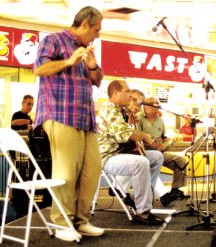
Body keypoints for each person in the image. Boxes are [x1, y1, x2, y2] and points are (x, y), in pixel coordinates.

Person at [33, 6, 104, 241]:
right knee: (66, 173)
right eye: (96, 29)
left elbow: (97, 81)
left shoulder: (86, 50)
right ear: (84, 25)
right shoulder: (53, 40)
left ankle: (81, 221)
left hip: (86, 118)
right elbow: (40, 69)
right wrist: (69, 61)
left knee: (92, 170)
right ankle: (62, 222)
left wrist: (92, 65)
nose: (98, 34)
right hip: (60, 113)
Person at [97, 80, 165, 226]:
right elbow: (124, 135)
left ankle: (143, 196)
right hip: (108, 157)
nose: (130, 96)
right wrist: (146, 136)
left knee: (157, 157)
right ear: (115, 93)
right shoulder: (109, 109)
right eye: (127, 92)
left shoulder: (119, 110)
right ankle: (143, 212)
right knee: (141, 162)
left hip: (119, 153)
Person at [139, 97, 187, 207]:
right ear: (145, 106)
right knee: (152, 163)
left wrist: (168, 141)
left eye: (158, 103)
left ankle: (175, 190)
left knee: (181, 161)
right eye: (153, 104)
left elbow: (163, 137)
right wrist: (149, 142)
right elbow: (136, 138)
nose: (156, 106)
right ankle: (162, 196)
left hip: (158, 152)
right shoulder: (139, 119)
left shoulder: (160, 120)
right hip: (143, 152)